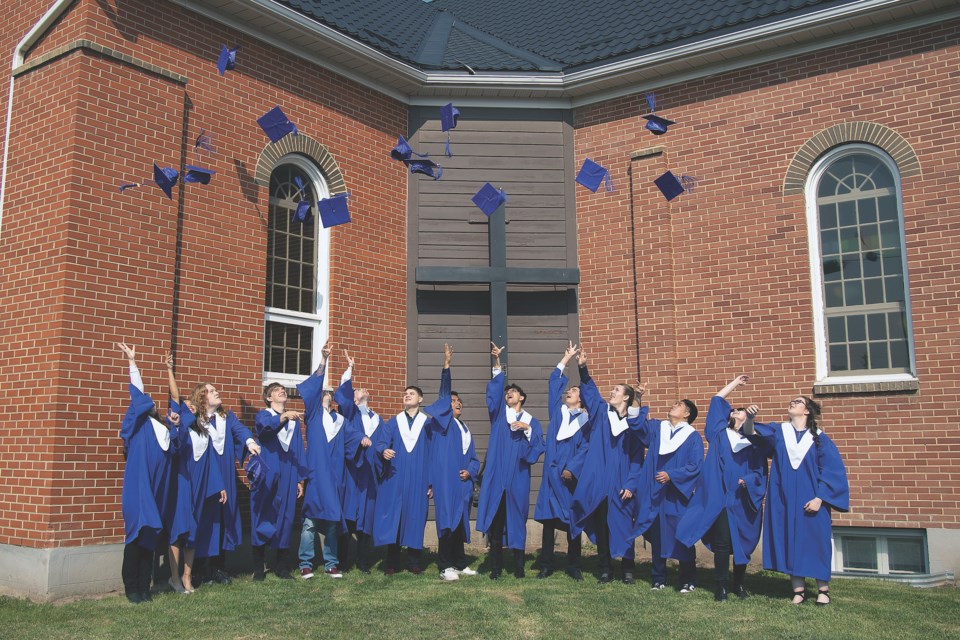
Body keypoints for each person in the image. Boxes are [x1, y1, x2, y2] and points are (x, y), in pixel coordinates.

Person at [744, 395, 849, 605]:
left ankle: (823, 591)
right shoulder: (779, 431)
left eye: (798, 402)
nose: (793, 402)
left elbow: (831, 471)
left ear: (807, 410)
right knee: (790, 539)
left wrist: (820, 498)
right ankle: (798, 591)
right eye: (791, 401)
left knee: (816, 541)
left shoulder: (820, 438)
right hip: (783, 497)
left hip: (811, 497)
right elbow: (751, 434)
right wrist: (749, 418)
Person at [675, 375, 767, 600]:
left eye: (740, 410)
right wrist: (736, 382)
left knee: (743, 545)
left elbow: (760, 471)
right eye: (733, 410)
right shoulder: (718, 434)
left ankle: (740, 585)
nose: (735, 411)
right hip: (719, 498)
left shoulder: (753, 443)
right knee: (722, 543)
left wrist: (748, 480)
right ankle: (721, 587)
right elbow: (716, 399)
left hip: (741, 499)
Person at [567, 348, 644, 584]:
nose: (612, 391)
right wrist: (582, 368)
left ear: (627, 398)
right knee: (602, 526)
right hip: (600, 479)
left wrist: (631, 483)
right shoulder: (601, 414)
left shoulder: (635, 424)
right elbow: (590, 393)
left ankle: (628, 570)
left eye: (617, 390)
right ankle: (605, 569)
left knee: (623, 525)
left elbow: (637, 457)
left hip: (621, 480)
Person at [373, 349, 452, 575]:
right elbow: (380, 443)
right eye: (405, 393)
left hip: (418, 478)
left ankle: (414, 561)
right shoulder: (392, 422)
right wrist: (383, 450)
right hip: (395, 476)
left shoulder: (428, 424)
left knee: (416, 517)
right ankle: (392, 561)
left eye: (411, 393)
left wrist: (446, 368)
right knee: (395, 517)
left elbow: (434, 454)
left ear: (420, 399)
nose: (407, 395)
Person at [475, 342, 545, 579]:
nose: (508, 393)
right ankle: (495, 568)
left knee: (517, 521)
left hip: (517, 477)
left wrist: (526, 429)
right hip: (496, 475)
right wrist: (497, 363)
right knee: (496, 522)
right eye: (507, 392)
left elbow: (537, 447)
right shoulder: (498, 416)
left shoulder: (531, 420)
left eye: (512, 391)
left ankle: (519, 568)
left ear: (522, 397)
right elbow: (494, 393)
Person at [117, 343, 179, 603]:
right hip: (139, 487)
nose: (153, 403)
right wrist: (133, 363)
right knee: (137, 534)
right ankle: (132, 587)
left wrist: (174, 424)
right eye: (150, 402)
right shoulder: (138, 425)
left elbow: (177, 411)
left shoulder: (165, 430)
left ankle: (144, 586)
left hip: (157, 490)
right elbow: (138, 395)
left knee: (150, 536)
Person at [297, 344, 364, 579]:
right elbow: (313, 388)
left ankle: (330, 563)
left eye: (328, 392)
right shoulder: (313, 414)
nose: (326, 394)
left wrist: (363, 438)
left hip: (335, 476)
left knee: (334, 521)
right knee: (311, 521)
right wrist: (323, 361)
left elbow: (352, 434)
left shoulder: (340, 421)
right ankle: (305, 562)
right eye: (324, 392)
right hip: (316, 474)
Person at [631, 388, 704, 593]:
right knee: (657, 536)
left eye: (679, 405)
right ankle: (658, 578)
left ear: (687, 414)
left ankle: (687, 580)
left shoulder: (692, 437)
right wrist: (638, 398)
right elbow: (636, 424)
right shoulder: (658, 429)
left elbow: (696, 465)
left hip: (676, 496)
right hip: (655, 493)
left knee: (682, 535)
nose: (674, 405)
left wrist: (672, 475)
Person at [187, 380, 260, 584]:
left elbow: (241, 431)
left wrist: (250, 442)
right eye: (211, 391)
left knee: (224, 520)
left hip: (225, 473)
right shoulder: (195, 420)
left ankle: (219, 568)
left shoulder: (227, 417)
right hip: (203, 476)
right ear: (202, 398)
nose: (217, 392)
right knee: (204, 520)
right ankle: (200, 569)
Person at [167, 368, 227, 594]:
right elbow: (175, 397)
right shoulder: (182, 428)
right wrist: (169, 370)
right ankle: (174, 577)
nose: (189, 410)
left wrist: (219, 485)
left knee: (194, 530)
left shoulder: (204, 431)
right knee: (179, 528)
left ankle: (187, 577)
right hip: (184, 483)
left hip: (201, 485)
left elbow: (211, 461)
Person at [534, 341, 589, 581]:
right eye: (570, 390)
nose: (569, 392)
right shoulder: (559, 412)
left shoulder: (587, 421)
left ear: (582, 398)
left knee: (572, 520)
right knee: (548, 520)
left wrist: (572, 469)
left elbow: (586, 449)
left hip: (569, 477)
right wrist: (566, 360)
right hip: (551, 473)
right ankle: (546, 564)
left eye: (574, 391)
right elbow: (554, 384)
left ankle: (573, 564)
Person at [429, 344, 482, 581]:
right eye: (453, 400)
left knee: (460, 523)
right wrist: (446, 366)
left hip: (462, 483)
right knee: (447, 523)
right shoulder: (443, 425)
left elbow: (474, 458)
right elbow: (443, 395)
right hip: (446, 480)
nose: (457, 402)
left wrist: (470, 473)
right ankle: (445, 566)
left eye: (459, 400)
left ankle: (460, 563)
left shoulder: (465, 429)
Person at [252, 381, 308, 580]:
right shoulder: (264, 414)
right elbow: (265, 430)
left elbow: (299, 450)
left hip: (289, 473)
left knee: (285, 516)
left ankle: (282, 567)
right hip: (268, 471)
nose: (282, 391)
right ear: (269, 398)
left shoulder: (293, 422)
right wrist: (284, 416)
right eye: (276, 390)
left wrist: (300, 479)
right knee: (263, 514)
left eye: (283, 390)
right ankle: (259, 568)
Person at [335, 353, 381, 574]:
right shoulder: (349, 412)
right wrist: (349, 369)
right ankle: (343, 561)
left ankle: (363, 562)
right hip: (353, 472)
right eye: (358, 389)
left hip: (370, 474)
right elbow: (342, 395)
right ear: (353, 399)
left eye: (363, 389)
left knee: (366, 519)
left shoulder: (378, 417)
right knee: (348, 516)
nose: (363, 389)